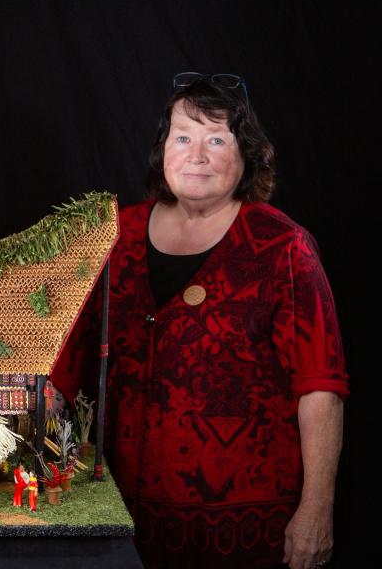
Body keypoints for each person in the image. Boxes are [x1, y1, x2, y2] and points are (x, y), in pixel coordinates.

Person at [52, 73, 347, 568]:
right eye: (183, 137)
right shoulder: (114, 236)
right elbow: (67, 354)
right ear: (162, 148)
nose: (197, 154)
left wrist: (317, 510)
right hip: (122, 519)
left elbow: (321, 386)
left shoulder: (283, 248)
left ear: (247, 155)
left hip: (248, 532)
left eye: (216, 139)